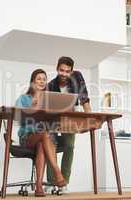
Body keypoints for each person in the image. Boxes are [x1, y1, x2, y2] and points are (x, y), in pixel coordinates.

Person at [15, 69, 67, 197]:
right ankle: (57, 172)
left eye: (44, 79)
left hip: (47, 139)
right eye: (39, 78)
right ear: (33, 81)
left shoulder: (50, 101)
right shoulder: (23, 99)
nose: (42, 81)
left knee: (42, 142)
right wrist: (33, 108)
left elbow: (55, 123)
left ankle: (39, 187)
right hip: (28, 137)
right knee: (43, 133)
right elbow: (18, 118)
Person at [46, 56, 91, 193]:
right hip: (53, 118)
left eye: (67, 71)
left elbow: (83, 96)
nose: (64, 74)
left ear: (71, 71)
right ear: (57, 68)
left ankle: (63, 182)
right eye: (61, 70)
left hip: (70, 117)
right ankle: (51, 181)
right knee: (50, 146)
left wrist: (89, 114)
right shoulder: (51, 85)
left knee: (69, 146)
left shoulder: (77, 76)